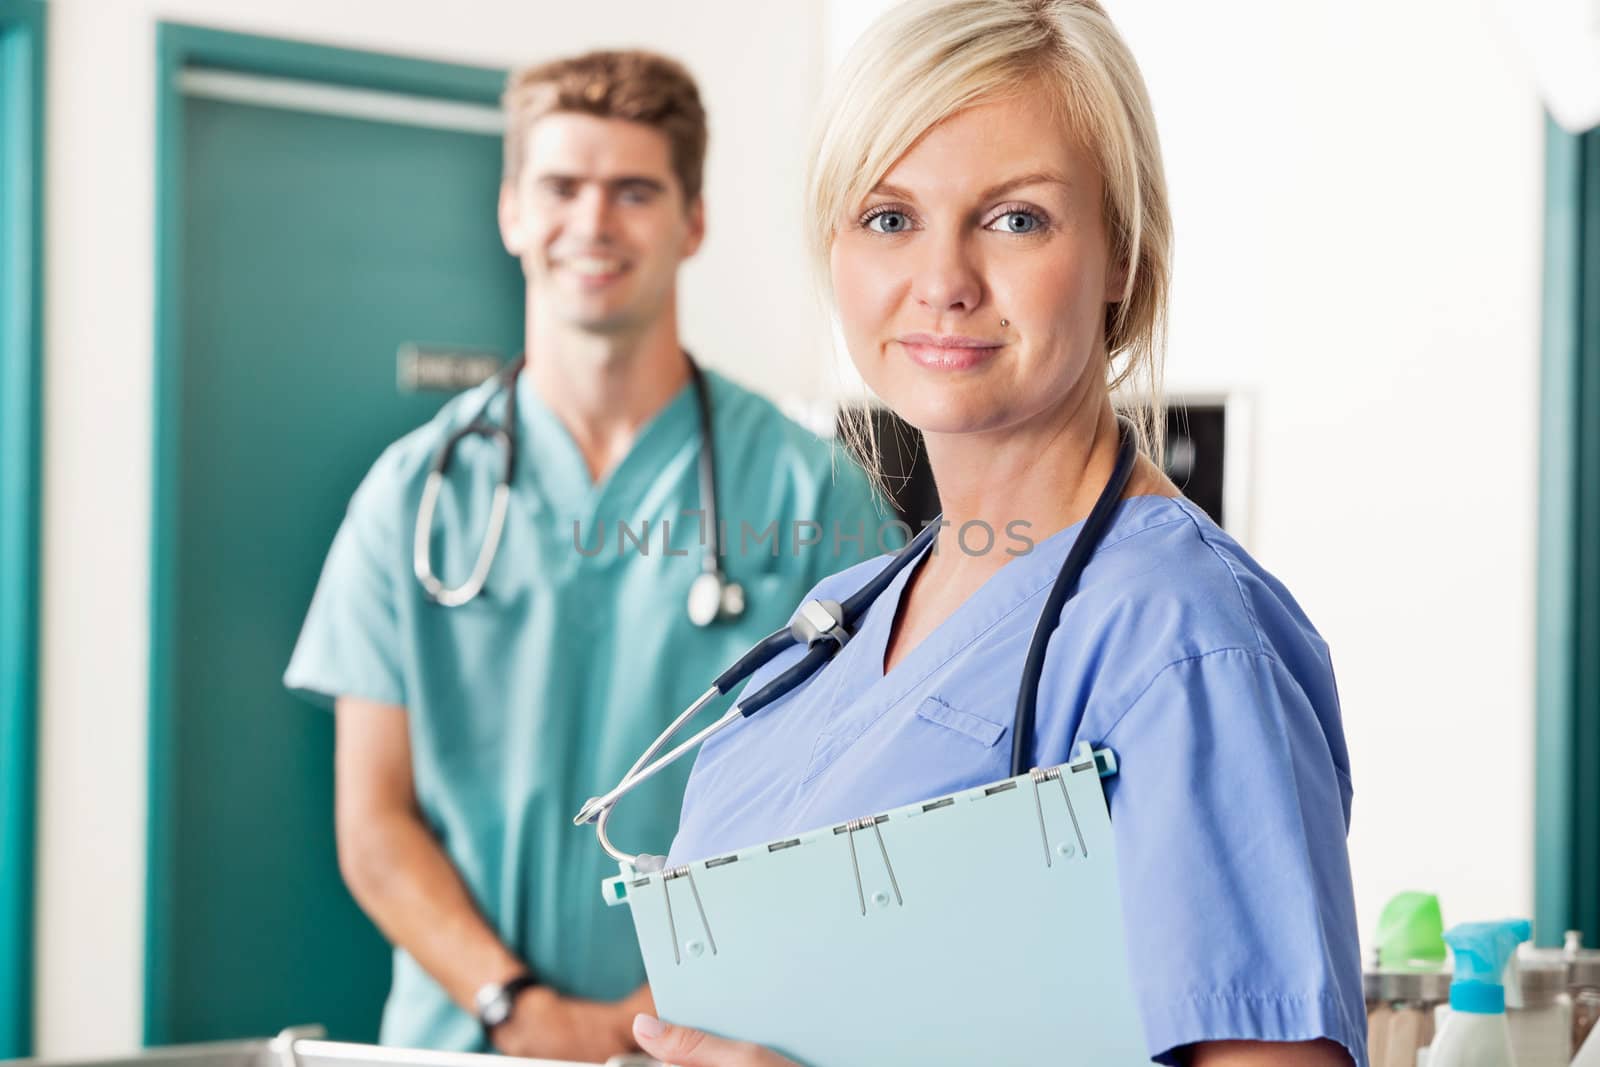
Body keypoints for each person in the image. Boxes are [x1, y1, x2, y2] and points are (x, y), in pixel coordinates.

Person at [625, 2, 1367, 1065]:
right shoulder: (851, 618)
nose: (943, 281)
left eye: (1015, 218)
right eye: (888, 217)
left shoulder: (1181, 641)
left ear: (1123, 254)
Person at [284, 50, 882, 1060]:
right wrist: (514, 1003)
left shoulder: (810, 492)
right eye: (562, 186)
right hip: (462, 1038)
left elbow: (865, 798)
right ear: (513, 210)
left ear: (693, 220)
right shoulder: (411, 494)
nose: (593, 223)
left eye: (635, 190)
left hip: (717, 1035)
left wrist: (660, 1004)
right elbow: (372, 819)